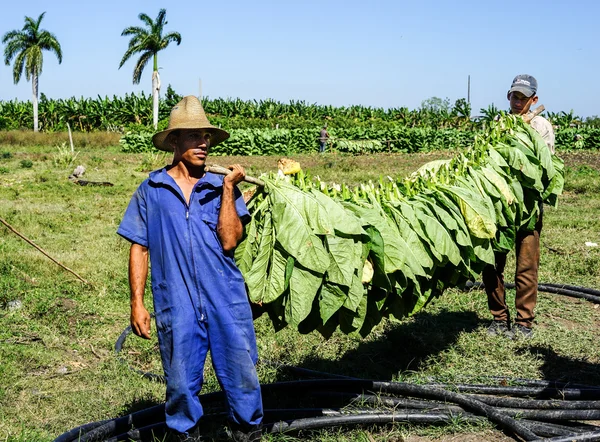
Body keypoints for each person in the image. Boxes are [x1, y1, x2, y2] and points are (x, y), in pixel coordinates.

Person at [117, 96, 263, 442]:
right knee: (180, 382)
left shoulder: (220, 184)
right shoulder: (151, 190)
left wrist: (229, 189)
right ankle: (186, 434)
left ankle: (248, 432)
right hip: (176, 300)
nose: (203, 144)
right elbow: (139, 247)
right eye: (194, 136)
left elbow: (230, 241)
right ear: (174, 141)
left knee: (241, 374)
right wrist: (137, 302)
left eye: (207, 137)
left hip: (224, 296)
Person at [483, 74, 555, 339]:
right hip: (500, 205)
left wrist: (522, 137)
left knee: (526, 266)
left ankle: (524, 323)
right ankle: (499, 319)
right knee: (492, 263)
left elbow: (541, 167)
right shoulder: (497, 124)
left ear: (534, 99)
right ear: (508, 96)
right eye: (514, 96)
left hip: (527, 206)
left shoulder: (541, 126)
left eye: (523, 98)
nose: (517, 101)